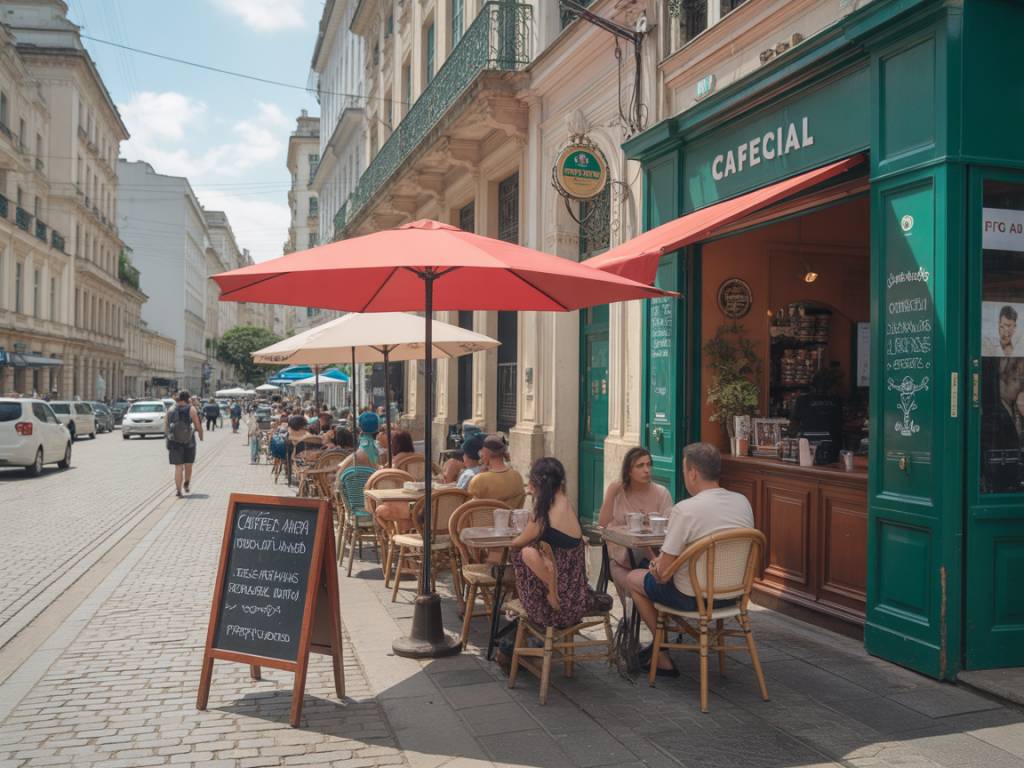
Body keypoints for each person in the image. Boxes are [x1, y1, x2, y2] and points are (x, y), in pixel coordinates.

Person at [627, 442, 754, 676]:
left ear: (693, 473)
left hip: (693, 597)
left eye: (685, 471)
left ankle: (662, 650)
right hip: (734, 596)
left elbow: (663, 574)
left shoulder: (686, 509)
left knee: (633, 578)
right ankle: (667, 643)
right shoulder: (742, 502)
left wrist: (655, 565)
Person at [509, 457, 589, 625]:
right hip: (577, 602)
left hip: (551, 609)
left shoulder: (543, 514)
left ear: (537, 484)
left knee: (524, 551)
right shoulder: (567, 505)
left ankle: (549, 587)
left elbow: (517, 542)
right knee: (537, 550)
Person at [598, 447, 673, 604]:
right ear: (629, 471)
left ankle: (646, 615)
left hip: (658, 558)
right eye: (640, 466)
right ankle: (632, 616)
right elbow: (603, 525)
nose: (647, 470)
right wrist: (611, 493)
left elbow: (671, 531)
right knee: (623, 570)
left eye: (649, 464)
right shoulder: (618, 493)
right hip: (622, 559)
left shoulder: (661, 493)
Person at [468, 434, 526, 507]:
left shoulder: (479, 480)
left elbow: (469, 508)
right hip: (510, 517)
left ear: (485, 453)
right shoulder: (517, 476)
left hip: (485, 518)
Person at [165, 390, 203, 498]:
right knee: (188, 464)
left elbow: (166, 427)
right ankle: (186, 483)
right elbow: (197, 424)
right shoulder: (191, 409)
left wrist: (168, 438)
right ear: (187, 399)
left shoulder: (170, 409)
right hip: (189, 441)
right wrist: (200, 434)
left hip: (174, 442)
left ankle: (178, 490)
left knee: (178, 467)